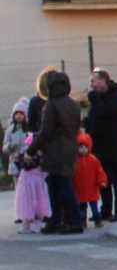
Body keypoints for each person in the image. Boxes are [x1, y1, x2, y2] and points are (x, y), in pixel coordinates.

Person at [36, 70, 81, 234]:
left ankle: (73, 222)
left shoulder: (51, 105)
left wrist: (31, 150)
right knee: (56, 184)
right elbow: (76, 127)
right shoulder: (73, 104)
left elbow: (46, 132)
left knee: (62, 186)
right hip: (70, 147)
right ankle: (58, 220)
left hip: (55, 150)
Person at [85, 69, 117, 221]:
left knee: (115, 177)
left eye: (93, 81)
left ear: (103, 81)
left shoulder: (116, 97)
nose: (91, 85)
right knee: (103, 179)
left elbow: (105, 112)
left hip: (111, 144)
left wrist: (93, 97)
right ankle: (106, 210)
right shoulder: (100, 98)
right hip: (98, 145)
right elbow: (95, 117)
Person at [71, 132, 108, 229]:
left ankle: (97, 219)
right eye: (81, 147)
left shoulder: (93, 160)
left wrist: (102, 181)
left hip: (91, 188)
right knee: (82, 206)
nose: (83, 150)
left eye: (85, 147)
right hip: (80, 189)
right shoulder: (75, 160)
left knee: (94, 206)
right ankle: (83, 220)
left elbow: (99, 172)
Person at [13, 134, 49, 233]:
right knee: (26, 203)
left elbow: (44, 171)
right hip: (26, 183)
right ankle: (26, 223)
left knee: (38, 203)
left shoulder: (40, 156)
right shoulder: (23, 155)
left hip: (36, 182)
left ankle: (38, 223)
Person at [4, 100, 29, 184]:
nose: (18, 116)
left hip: (27, 163)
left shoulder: (28, 130)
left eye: (21, 114)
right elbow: (5, 148)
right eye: (16, 114)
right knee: (18, 186)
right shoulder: (10, 130)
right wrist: (9, 147)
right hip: (14, 163)